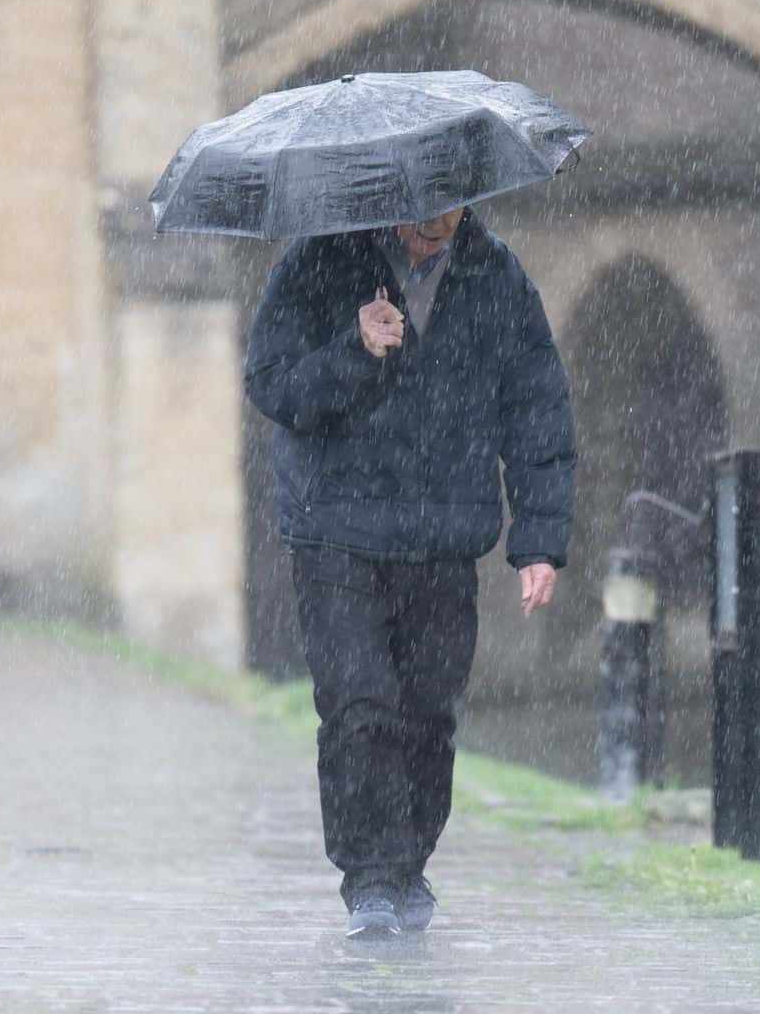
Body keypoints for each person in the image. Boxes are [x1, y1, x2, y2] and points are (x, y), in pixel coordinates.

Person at [246, 205, 576, 939]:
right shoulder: (317, 262)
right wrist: (354, 350)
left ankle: (407, 864)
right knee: (359, 704)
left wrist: (540, 540)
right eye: (415, 218)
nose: (428, 231)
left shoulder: (498, 277)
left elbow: (538, 410)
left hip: (443, 531)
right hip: (335, 525)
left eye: (444, 217)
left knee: (429, 712)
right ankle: (368, 877)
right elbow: (271, 385)